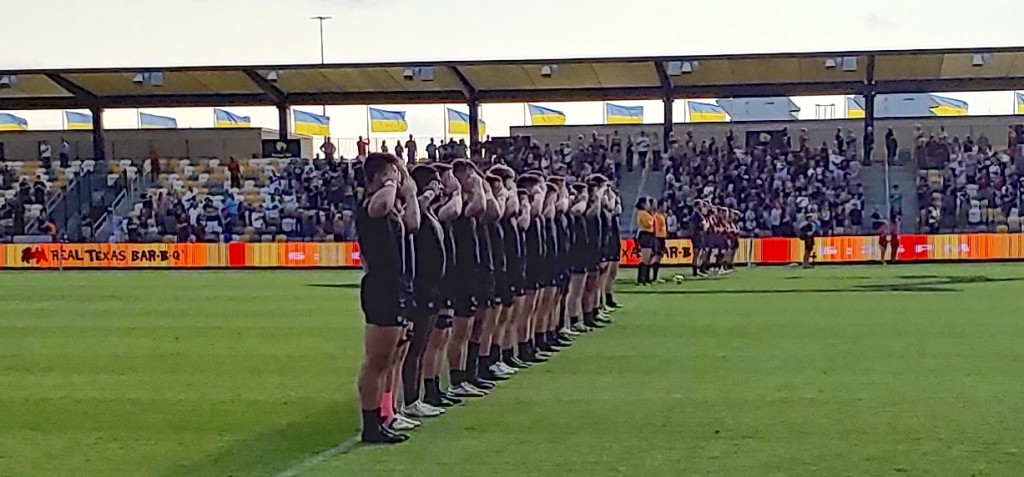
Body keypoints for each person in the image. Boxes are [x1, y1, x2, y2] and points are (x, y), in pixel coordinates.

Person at [355, 152, 418, 444]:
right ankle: (370, 425)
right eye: (392, 171)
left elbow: (413, 223)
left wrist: (410, 192)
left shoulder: (390, 208)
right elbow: (379, 206)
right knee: (376, 361)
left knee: (390, 359)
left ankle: (382, 416)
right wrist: (391, 183)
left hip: (397, 286)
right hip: (381, 287)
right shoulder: (372, 203)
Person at [400, 165, 448, 420]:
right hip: (419, 286)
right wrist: (426, 194)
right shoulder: (417, 212)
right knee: (414, 347)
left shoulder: (430, 213)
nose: (440, 188)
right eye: (435, 183)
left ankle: (416, 396)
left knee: (422, 345)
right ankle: (410, 399)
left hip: (432, 286)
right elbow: (413, 218)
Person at [634, 197, 655, 285]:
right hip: (645, 234)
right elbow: (648, 224)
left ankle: (646, 277)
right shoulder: (642, 213)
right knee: (645, 258)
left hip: (648, 235)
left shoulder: (646, 213)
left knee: (648, 258)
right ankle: (641, 278)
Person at [651, 199, 669, 283]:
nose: (666, 208)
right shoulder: (657, 216)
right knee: (657, 256)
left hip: (662, 237)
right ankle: (654, 277)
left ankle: (656, 276)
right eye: (664, 206)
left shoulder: (662, 216)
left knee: (659, 256)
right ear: (660, 206)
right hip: (658, 237)